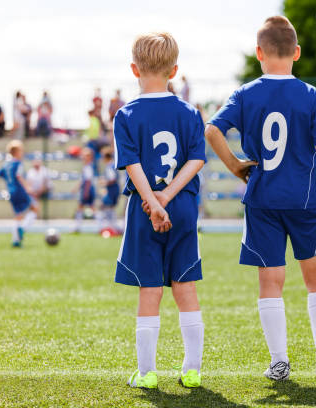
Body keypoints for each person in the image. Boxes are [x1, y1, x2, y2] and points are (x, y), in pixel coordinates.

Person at [206, 16, 316, 381]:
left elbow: (212, 130)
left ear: (259, 53)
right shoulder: (310, 95)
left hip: (262, 200)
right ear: (296, 52)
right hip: (303, 200)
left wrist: (236, 164)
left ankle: (279, 363)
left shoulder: (245, 93)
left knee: (271, 281)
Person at [113, 32, 207, 389]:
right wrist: (167, 197)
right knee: (186, 285)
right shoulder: (190, 113)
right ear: (175, 70)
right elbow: (196, 158)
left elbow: (132, 165)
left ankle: (148, 372)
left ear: (134, 69)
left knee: (149, 288)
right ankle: (192, 369)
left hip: (143, 206)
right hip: (180, 204)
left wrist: (153, 202)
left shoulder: (126, 114)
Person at [0, 140, 38, 246]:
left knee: (18, 216)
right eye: (21, 151)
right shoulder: (17, 163)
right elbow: (19, 176)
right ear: (17, 152)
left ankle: (15, 241)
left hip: (11, 193)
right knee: (34, 209)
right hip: (20, 191)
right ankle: (22, 229)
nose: (22, 153)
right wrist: (28, 188)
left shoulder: (7, 164)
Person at [98, 146, 120, 231]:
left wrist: (104, 182)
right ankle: (113, 228)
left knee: (105, 207)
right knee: (110, 208)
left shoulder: (109, 166)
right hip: (114, 189)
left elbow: (112, 179)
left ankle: (110, 228)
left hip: (112, 190)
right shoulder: (113, 165)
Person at [74, 148, 96, 232]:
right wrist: (76, 188)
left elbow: (88, 180)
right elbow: (83, 180)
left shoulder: (88, 166)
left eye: (86, 155)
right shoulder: (87, 166)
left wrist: (86, 192)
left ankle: (77, 227)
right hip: (88, 189)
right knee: (91, 207)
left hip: (87, 190)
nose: (83, 157)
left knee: (81, 207)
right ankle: (100, 226)